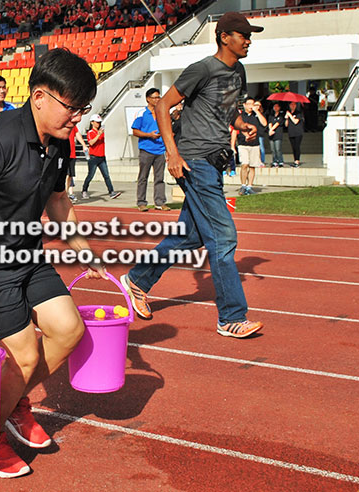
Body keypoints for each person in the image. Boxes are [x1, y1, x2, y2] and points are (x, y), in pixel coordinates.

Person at [0, 48, 105, 479]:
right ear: (40, 97)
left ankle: (11, 404)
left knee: (69, 329)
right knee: (25, 356)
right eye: (72, 108)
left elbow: (58, 200)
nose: (77, 118)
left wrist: (85, 251)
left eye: (83, 109)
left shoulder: (61, 142)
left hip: (28, 254)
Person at [119, 11, 264, 339]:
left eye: (250, 35)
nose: (249, 40)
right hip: (193, 161)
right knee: (223, 237)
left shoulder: (237, 71)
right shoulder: (202, 69)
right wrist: (173, 152)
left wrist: (241, 126)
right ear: (224, 36)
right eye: (243, 34)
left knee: (191, 236)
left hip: (214, 162)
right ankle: (230, 317)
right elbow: (164, 106)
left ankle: (138, 280)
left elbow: (226, 109)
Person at [131, 88, 168, 211]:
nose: (157, 100)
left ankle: (160, 202)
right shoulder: (142, 113)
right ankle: (141, 202)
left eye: (158, 97)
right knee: (143, 177)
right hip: (146, 149)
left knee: (160, 178)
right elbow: (135, 131)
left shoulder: (162, 112)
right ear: (148, 99)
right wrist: (149, 135)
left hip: (160, 149)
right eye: (155, 97)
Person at [81, 114, 120, 200]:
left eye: (99, 122)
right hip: (93, 157)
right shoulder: (91, 132)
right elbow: (91, 143)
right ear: (92, 123)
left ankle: (111, 191)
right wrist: (98, 135)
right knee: (90, 175)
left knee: (106, 175)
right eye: (97, 122)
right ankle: (84, 190)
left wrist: (100, 133)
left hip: (102, 157)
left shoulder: (101, 132)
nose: (98, 124)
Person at [236, 97, 266, 196]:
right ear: (244, 105)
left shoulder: (256, 115)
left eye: (252, 104)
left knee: (252, 166)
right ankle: (243, 185)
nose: (250, 106)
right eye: (248, 104)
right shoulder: (240, 116)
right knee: (245, 164)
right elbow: (238, 128)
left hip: (254, 144)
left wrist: (257, 112)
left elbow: (264, 123)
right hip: (243, 143)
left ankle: (249, 186)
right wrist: (246, 136)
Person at [66, 125, 87, 202]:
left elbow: (77, 133)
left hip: (72, 154)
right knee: (66, 175)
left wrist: (84, 145)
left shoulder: (72, 124)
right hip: (63, 153)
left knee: (70, 175)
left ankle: (68, 193)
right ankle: (64, 195)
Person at [285, 101, 304, 167]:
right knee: (293, 147)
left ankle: (297, 160)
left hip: (298, 132)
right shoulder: (289, 113)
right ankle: (295, 159)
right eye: (291, 104)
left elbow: (295, 121)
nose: (292, 106)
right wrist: (286, 118)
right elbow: (286, 125)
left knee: (297, 146)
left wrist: (290, 115)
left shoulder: (298, 113)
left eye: (294, 104)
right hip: (291, 132)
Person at [267, 102, 284, 167]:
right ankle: (274, 161)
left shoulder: (281, 115)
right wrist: (270, 129)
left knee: (278, 148)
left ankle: (280, 161)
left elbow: (277, 123)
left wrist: (271, 130)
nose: (275, 108)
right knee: (273, 149)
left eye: (277, 106)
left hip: (278, 134)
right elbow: (270, 123)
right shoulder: (271, 115)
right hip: (271, 134)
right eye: (274, 106)